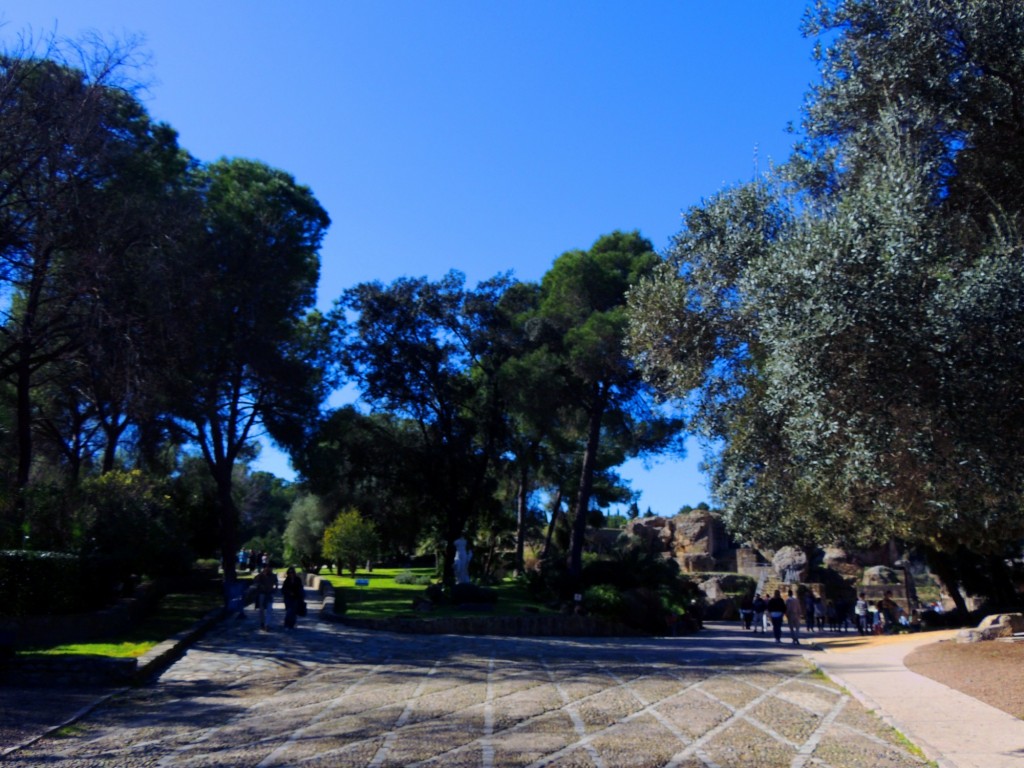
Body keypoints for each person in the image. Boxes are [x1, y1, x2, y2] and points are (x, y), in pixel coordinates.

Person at [253, 563, 277, 631]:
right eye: (266, 567)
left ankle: (267, 625)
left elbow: (276, 583)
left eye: (269, 567)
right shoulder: (261, 575)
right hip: (262, 594)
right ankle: (262, 623)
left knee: (269, 610)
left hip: (269, 594)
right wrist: (260, 585)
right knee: (261, 610)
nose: (268, 569)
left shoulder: (273, 576)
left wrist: (275, 589)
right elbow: (255, 581)